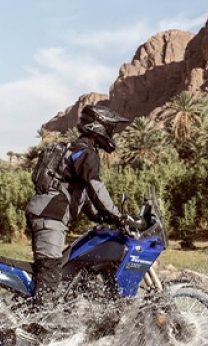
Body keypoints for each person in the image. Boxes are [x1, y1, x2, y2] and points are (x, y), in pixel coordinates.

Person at [25, 104, 130, 310]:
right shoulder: (85, 152)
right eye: (110, 128)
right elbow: (95, 187)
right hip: (50, 216)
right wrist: (118, 215)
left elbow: (85, 198)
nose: (111, 133)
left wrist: (104, 219)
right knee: (50, 271)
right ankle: (39, 324)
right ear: (98, 126)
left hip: (48, 213)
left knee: (63, 268)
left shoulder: (76, 150)